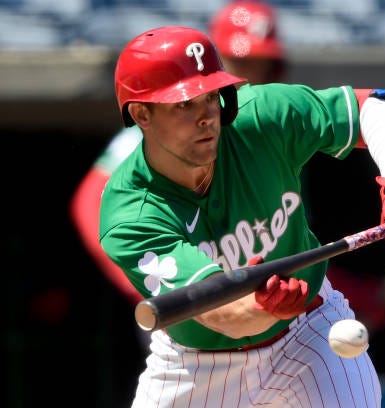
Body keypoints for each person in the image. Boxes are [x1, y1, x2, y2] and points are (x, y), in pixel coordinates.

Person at [100, 25, 385, 407]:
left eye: (211, 97)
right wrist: (260, 307)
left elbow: (380, 110)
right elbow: (219, 314)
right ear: (142, 113)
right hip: (196, 366)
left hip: (308, 331)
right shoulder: (130, 213)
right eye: (183, 104)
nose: (206, 116)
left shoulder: (257, 117)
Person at [69, 0, 287, 338]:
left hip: (262, 298)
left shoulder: (267, 124)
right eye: (238, 60)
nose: (250, 74)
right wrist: (145, 271)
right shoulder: (165, 137)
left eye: (261, 63)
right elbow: (88, 202)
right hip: (192, 299)